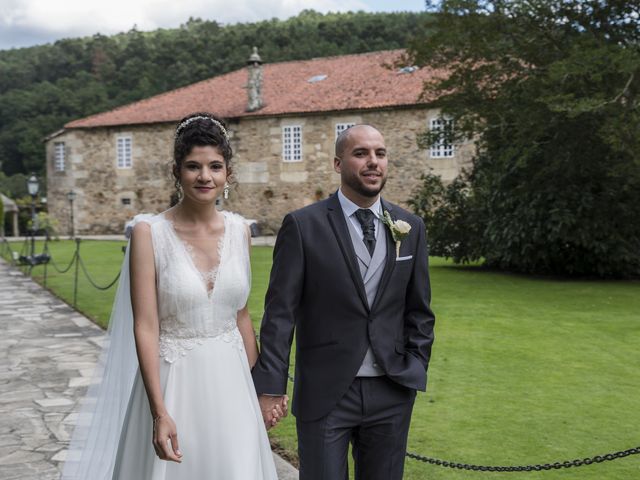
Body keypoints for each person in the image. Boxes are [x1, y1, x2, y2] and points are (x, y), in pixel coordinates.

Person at [62, 112, 282, 480]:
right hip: (174, 382)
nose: (205, 176)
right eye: (193, 166)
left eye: (215, 166)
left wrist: (262, 388)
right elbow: (145, 326)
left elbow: (241, 316)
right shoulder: (150, 233)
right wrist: (159, 411)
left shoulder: (240, 231)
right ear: (177, 171)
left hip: (233, 386)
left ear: (228, 173)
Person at [252, 124, 436, 480]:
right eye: (361, 153)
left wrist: (414, 363)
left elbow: (419, 310)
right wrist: (271, 387)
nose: (373, 162)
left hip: (391, 390)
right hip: (326, 391)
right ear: (338, 164)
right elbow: (280, 315)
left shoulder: (410, 226)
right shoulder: (303, 226)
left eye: (380, 154)